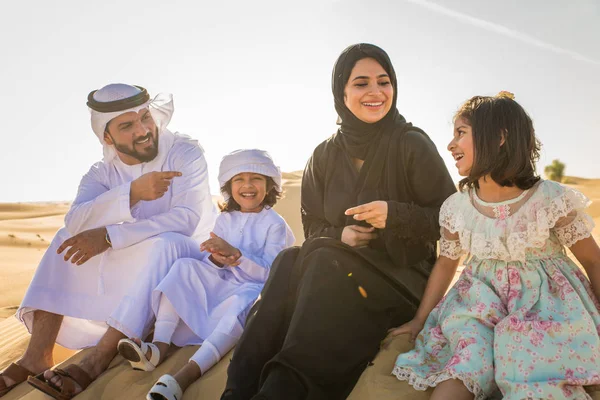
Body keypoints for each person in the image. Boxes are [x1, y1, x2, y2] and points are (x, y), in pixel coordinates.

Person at [220, 43, 456, 400]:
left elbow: (451, 220)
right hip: (333, 270)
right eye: (361, 83)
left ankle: (288, 389)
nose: (376, 92)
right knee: (289, 260)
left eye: (384, 81)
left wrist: (395, 215)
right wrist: (341, 235)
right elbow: (313, 227)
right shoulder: (324, 154)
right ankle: (238, 389)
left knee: (322, 262)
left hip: (400, 280)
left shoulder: (411, 143)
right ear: (341, 92)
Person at [0, 83, 217, 399]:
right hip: (137, 259)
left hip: (189, 260)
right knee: (66, 239)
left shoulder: (184, 152)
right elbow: (75, 220)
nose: (143, 130)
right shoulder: (101, 174)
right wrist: (131, 193)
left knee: (165, 243)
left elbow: (187, 221)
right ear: (107, 137)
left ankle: (98, 358)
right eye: (127, 126)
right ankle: (36, 355)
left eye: (145, 117)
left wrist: (109, 235)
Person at [391, 92, 600, 399]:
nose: (451, 144)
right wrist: (419, 320)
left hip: (543, 305)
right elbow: (447, 262)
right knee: (462, 367)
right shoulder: (457, 207)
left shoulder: (550, 199)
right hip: (477, 301)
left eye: (461, 133)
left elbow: (592, 260)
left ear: (500, 137)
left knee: (530, 369)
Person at [115, 149, 295, 400]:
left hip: (251, 289)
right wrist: (215, 258)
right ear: (229, 186)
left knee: (241, 306)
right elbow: (209, 263)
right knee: (184, 268)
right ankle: (158, 347)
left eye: (256, 178)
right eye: (239, 179)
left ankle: (184, 376)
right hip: (219, 281)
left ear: (269, 185)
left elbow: (271, 273)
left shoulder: (275, 224)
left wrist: (237, 256)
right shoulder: (225, 219)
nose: (247, 186)